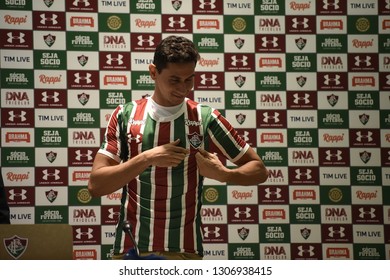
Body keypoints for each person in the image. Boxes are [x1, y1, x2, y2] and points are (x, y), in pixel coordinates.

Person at [88, 35, 268, 260]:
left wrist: (224, 174)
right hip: (131, 249)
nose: (183, 89)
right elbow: (96, 186)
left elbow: (259, 170)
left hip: (184, 252)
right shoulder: (125, 115)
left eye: (189, 80)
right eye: (174, 80)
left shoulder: (205, 118)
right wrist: (146, 158)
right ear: (153, 72)